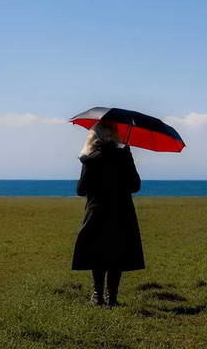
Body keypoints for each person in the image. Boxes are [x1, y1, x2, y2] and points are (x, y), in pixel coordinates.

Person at [71, 121, 145, 307]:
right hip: (122, 211)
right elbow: (135, 186)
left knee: (98, 251)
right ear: (115, 135)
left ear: (94, 136)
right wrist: (128, 157)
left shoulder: (90, 159)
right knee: (117, 251)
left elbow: (81, 190)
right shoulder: (124, 156)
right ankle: (112, 298)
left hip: (97, 210)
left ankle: (97, 296)